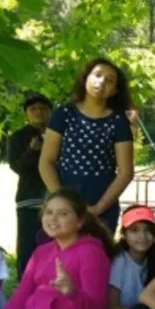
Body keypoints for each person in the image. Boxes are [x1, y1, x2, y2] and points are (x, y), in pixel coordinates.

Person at [39, 58, 135, 233]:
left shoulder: (118, 121)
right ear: (85, 79)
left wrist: (98, 208)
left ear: (115, 90)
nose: (102, 82)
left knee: (95, 255)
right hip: (62, 195)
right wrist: (62, 202)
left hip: (101, 200)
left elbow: (126, 172)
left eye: (110, 80)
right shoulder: (64, 114)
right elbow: (46, 162)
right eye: (97, 75)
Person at [8, 92, 52, 278]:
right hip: (29, 197)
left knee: (55, 241)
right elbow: (17, 167)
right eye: (33, 109)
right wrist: (32, 151)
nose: (38, 112)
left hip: (57, 198)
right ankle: (24, 281)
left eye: (42, 108)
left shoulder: (59, 135)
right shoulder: (18, 137)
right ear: (26, 114)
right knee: (27, 244)